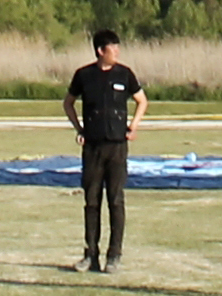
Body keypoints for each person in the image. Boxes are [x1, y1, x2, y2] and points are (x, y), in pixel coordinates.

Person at [64, 26, 144, 273]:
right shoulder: (84, 75)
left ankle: (114, 255)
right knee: (91, 201)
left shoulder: (125, 74)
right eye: (113, 48)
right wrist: (79, 128)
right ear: (101, 51)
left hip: (117, 147)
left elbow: (142, 101)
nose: (117, 52)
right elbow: (68, 103)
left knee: (116, 201)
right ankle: (90, 254)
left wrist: (133, 126)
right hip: (93, 148)